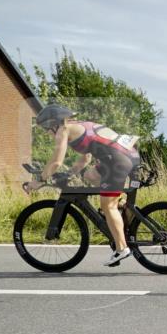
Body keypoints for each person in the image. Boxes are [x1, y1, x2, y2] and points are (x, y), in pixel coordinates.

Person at [29, 103, 141, 266]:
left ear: (53, 123)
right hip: (125, 154)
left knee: (107, 206)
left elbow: (56, 162)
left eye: (46, 128)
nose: (46, 133)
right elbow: (85, 159)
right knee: (91, 175)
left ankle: (121, 248)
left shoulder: (63, 130)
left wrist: (39, 180)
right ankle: (120, 206)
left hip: (117, 161)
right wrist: (70, 174)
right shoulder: (81, 125)